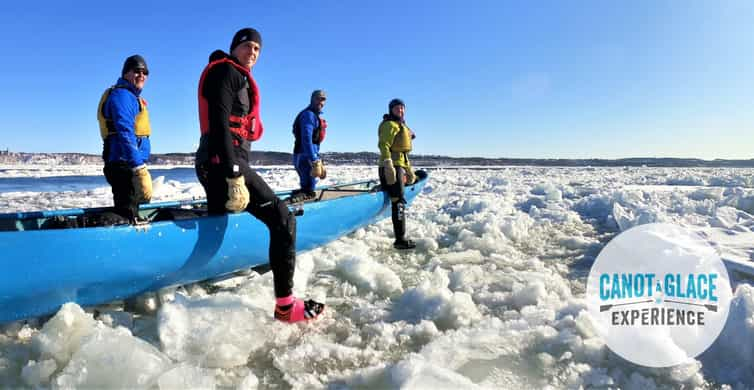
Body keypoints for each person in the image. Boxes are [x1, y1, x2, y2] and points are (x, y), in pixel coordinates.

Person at [195, 27, 325, 323]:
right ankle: (285, 307)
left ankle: (200, 268)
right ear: (234, 47)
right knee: (282, 218)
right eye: (248, 46)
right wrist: (234, 173)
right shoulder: (226, 72)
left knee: (218, 219)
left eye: (257, 49)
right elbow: (218, 123)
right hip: (223, 165)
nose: (252, 52)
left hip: (216, 164)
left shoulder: (235, 75)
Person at [97, 54, 153, 222]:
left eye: (145, 72)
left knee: (129, 207)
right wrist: (138, 167)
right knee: (127, 214)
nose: (141, 75)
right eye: (137, 71)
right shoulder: (123, 96)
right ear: (126, 73)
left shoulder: (129, 96)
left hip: (125, 164)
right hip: (124, 165)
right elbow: (125, 131)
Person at [378, 98, 417, 250]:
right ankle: (400, 240)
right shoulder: (390, 125)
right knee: (398, 201)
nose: (400, 110)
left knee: (399, 199)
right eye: (396, 108)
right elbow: (383, 145)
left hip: (400, 165)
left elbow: (403, 153)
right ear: (391, 110)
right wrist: (388, 164)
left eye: (402, 108)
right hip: (391, 167)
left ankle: (400, 237)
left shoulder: (401, 125)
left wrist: (409, 171)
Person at [291, 90, 328, 201]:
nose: (320, 102)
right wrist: (314, 160)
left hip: (302, 152)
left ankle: (306, 192)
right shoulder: (309, 115)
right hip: (306, 154)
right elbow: (307, 139)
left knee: (306, 184)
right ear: (312, 99)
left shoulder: (309, 114)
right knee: (309, 186)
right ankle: (308, 196)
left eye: (323, 100)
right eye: (318, 99)